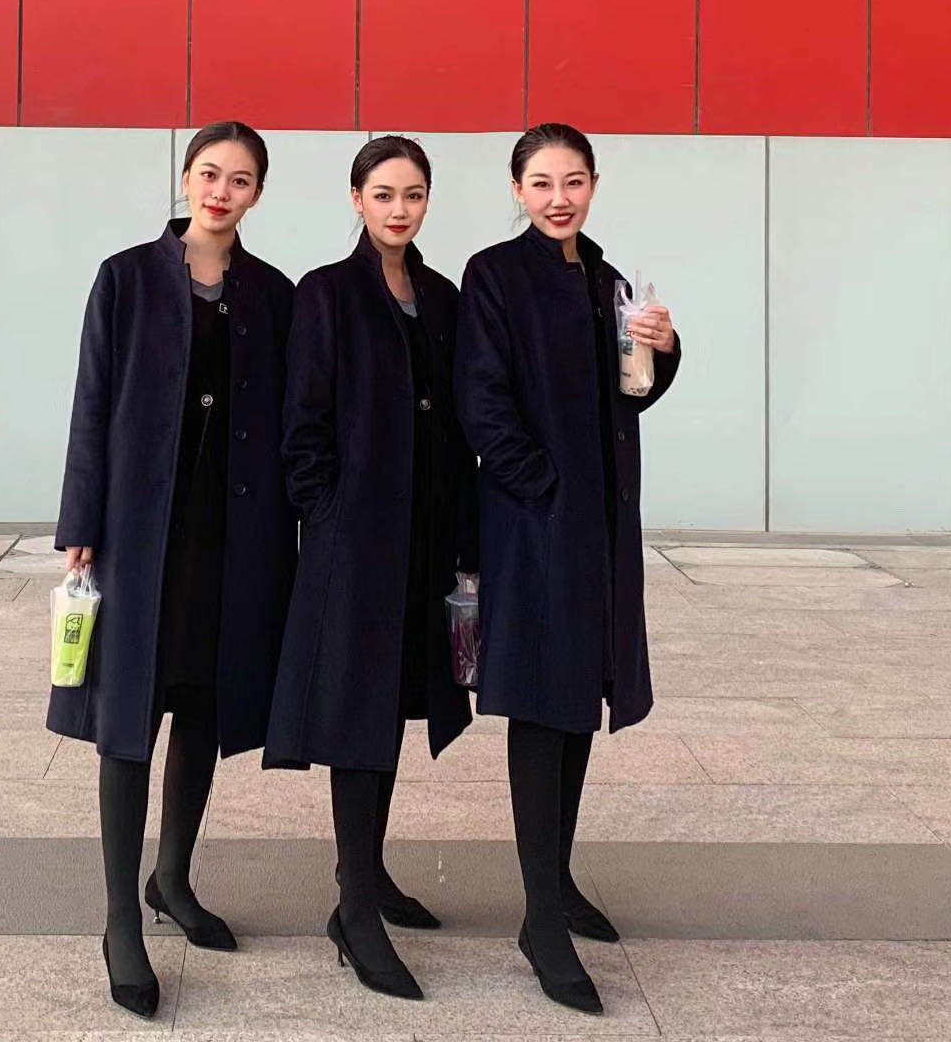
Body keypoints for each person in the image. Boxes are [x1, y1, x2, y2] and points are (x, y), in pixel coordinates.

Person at [52, 121, 296, 1019]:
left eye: (240, 179)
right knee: (128, 718)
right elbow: (92, 401)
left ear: (258, 193)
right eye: (209, 173)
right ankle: (121, 918)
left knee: (202, 706)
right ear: (186, 178)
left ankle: (174, 880)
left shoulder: (272, 293)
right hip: (138, 532)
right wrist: (81, 523)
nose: (221, 191)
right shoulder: (126, 278)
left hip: (233, 535)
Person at [454, 123, 681, 1015]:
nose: (560, 198)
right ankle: (539, 919)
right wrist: (544, 490)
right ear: (517, 189)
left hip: (602, 530)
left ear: (593, 185)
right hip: (536, 526)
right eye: (542, 182)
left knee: (580, 697)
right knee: (542, 707)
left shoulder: (609, 279)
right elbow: (482, 401)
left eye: (574, 181)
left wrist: (662, 348)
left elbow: (630, 391)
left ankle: (555, 881)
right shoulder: (494, 275)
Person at [264, 135, 479, 1001]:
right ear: (356, 199)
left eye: (413, 194)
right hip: (355, 545)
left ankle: (371, 873)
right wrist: (330, 512)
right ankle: (353, 909)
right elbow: (303, 423)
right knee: (358, 713)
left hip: (426, 540)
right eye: (384, 194)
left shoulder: (443, 296)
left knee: (392, 704)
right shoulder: (327, 292)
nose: (399, 209)